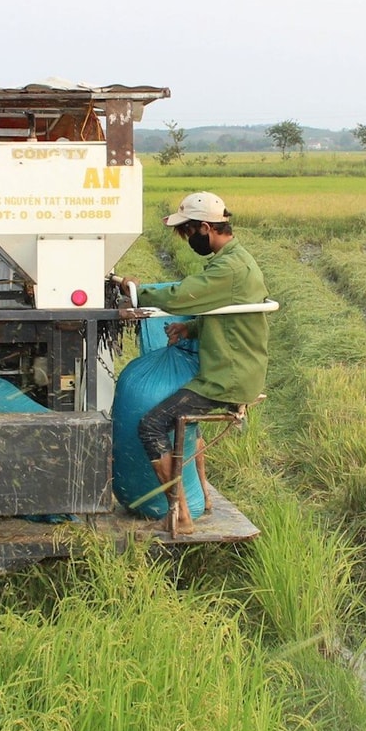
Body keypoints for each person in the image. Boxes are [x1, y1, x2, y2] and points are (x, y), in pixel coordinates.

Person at [115, 191, 269, 535]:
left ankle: (180, 516)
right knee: (171, 417)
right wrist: (191, 328)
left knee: (151, 424)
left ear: (205, 228)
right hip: (231, 370)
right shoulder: (235, 260)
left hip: (226, 379)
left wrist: (138, 291)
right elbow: (229, 315)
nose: (188, 241)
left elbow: (183, 295)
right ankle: (191, 502)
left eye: (188, 233)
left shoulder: (229, 267)